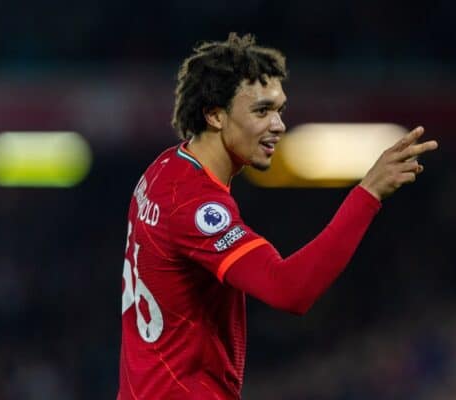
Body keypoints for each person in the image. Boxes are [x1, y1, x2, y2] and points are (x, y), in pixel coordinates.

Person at [117, 32, 438, 400]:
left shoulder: (163, 170)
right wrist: (368, 194)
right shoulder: (192, 204)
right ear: (215, 115)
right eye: (261, 111)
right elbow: (290, 290)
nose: (279, 125)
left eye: (279, 110)